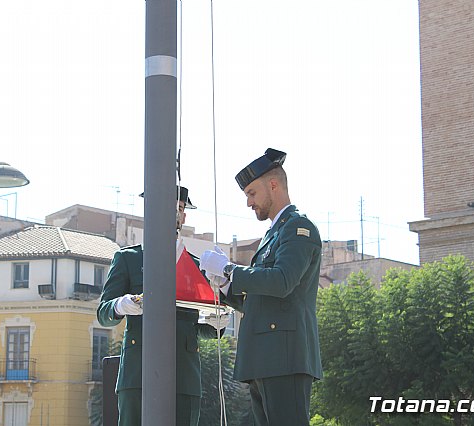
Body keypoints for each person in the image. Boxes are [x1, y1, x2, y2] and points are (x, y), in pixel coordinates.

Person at [200, 148, 323, 426]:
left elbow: (282, 282)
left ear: (273, 185)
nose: (248, 203)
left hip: (284, 355)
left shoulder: (298, 228)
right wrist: (225, 287)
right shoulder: (273, 235)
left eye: (252, 193)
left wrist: (230, 269)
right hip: (265, 358)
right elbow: (260, 299)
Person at [97, 186, 229, 426]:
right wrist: (122, 305)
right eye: (168, 206)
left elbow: (198, 325)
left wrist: (217, 324)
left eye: (179, 208)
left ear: (184, 217)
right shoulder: (129, 259)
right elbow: (103, 313)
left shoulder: (196, 266)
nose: (174, 213)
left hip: (184, 376)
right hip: (139, 374)